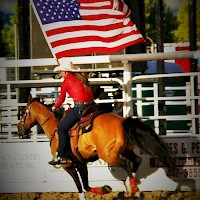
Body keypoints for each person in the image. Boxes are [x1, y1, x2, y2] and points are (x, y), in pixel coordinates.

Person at [48, 61, 94, 166]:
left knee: (62, 128)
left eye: (61, 72)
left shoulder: (66, 82)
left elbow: (61, 99)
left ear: (65, 72)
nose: (60, 74)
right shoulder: (81, 78)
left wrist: (54, 107)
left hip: (80, 108)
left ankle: (62, 156)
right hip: (92, 106)